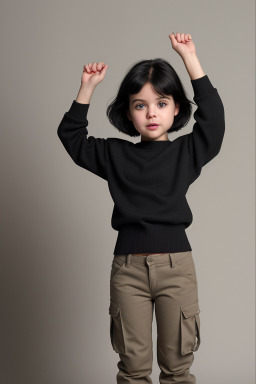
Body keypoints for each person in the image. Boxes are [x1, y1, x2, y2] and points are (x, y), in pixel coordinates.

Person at [57, 32, 225, 384]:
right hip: (127, 270)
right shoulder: (115, 154)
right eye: (140, 105)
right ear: (128, 112)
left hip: (176, 267)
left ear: (177, 108)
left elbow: (214, 121)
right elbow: (71, 138)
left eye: (162, 103)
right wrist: (86, 87)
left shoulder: (187, 152)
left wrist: (189, 58)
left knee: (177, 367)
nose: (151, 113)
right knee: (132, 368)